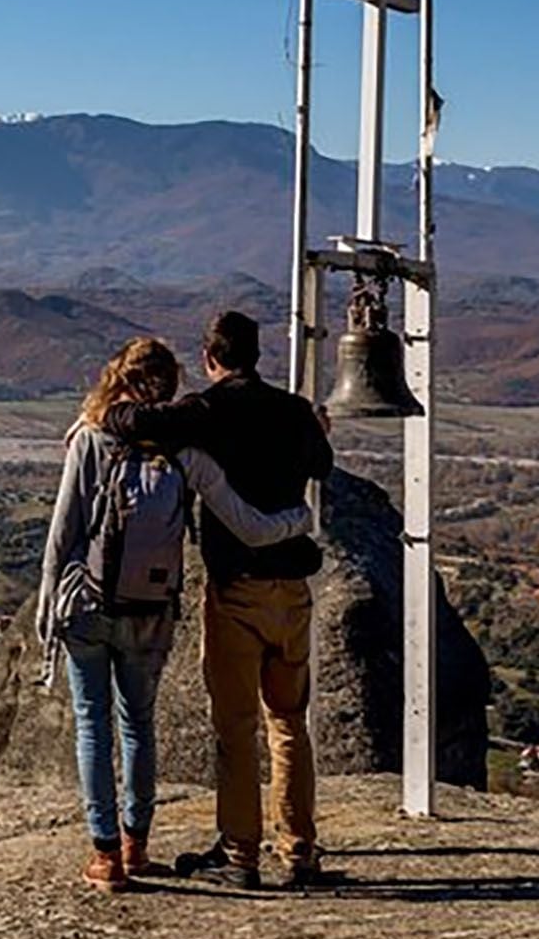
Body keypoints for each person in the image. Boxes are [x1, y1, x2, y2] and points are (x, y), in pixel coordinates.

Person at [37, 336, 313, 893]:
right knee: (137, 723)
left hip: (89, 606)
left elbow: (62, 535)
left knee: (93, 725)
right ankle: (138, 845)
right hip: (151, 611)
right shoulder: (187, 456)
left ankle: (106, 856)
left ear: (118, 381)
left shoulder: (90, 439)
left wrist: (50, 610)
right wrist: (299, 520)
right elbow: (250, 526)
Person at [100, 311, 334, 890]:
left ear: (210, 359)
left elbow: (123, 420)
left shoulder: (207, 411)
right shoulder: (294, 412)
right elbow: (322, 464)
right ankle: (300, 850)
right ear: (256, 355)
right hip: (293, 593)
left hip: (237, 592)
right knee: (289, 723)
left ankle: (241, 857)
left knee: (235, 728)